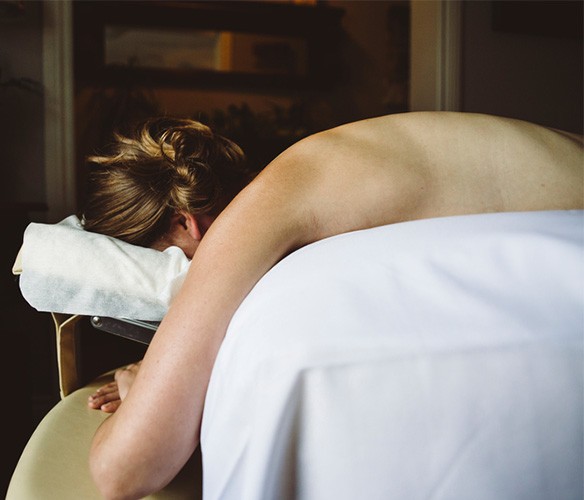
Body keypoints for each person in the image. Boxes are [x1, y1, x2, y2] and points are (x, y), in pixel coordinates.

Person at [83, 112, 583, 498]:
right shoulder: (309, 167)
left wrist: (138, 383)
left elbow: (125, 470)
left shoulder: (257, 211)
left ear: (186, 224)